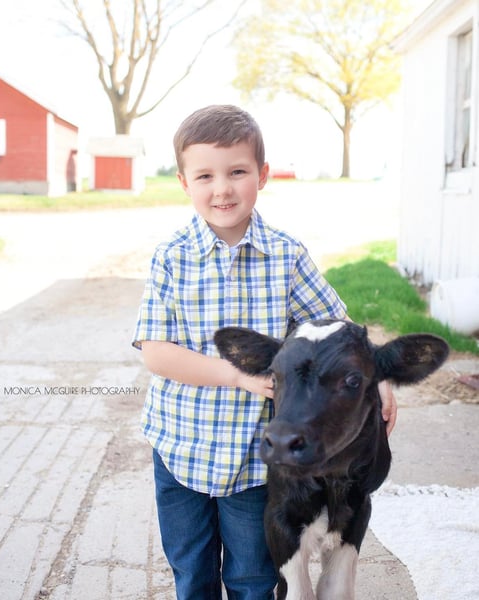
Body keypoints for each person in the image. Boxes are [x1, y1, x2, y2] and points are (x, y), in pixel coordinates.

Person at [132, 104, 396, 600]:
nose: (223, 188)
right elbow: (156, 353)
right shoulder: (171, 257)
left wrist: (377, 377)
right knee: (192, 572)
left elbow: (339, 326)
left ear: (263, 175)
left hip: (257, 462)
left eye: (237, 172)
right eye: (205, 175)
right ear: (184, 183)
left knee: (254, 578)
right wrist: (237, 377)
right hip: (181, 448)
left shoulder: (285, 254)